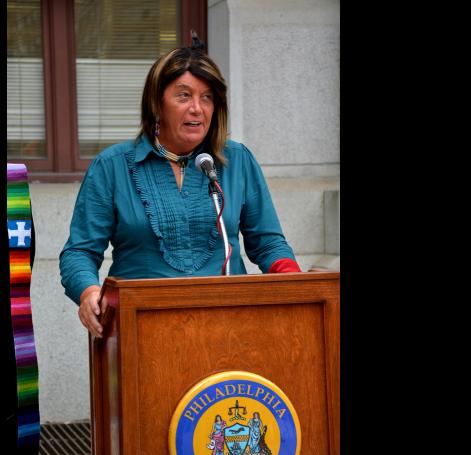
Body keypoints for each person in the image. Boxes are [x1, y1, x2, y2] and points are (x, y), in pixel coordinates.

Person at [60, 36, 301, 337]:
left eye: (207, 97)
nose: (197, 108)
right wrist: (88, 292)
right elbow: (79, 252)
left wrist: (295, 283)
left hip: (229, 329)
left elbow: (268, 243)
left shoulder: (237, 160)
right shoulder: (112, 166)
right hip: (139, 330)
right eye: (184, 96)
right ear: (156, 104)